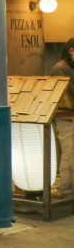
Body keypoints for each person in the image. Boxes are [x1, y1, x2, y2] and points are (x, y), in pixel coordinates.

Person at [50, 39, 74, 199]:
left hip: (69, 115)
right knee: (69, 152)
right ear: (71, 51)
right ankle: (64, 188)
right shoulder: (61, 69)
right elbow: (67, 93)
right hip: (66, 116)